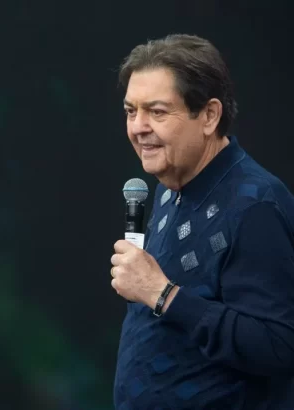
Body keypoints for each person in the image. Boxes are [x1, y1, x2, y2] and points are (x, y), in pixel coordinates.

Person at [110, 33, 294, 409]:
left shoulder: (255, 205)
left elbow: (278, 346)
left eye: (157, 112)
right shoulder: (167, 186)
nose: (138, 127)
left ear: (209, 115)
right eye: (131, 111)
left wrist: (163, 295)